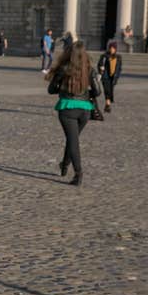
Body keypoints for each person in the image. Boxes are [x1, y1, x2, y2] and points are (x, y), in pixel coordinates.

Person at [45, 40, 101, 186]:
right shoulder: (89, 69)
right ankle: (64, 165)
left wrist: (64, 89)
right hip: (85, 111)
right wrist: (84, 91)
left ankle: (78, 174)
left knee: (73, 141)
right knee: (72, 139)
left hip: (68, 108)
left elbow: (51, 90)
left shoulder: (64, 69)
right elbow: (97, 92)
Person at [97, 41, 122, 113]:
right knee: (107, 90)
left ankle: (107, 103)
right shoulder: (104, 56)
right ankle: (108, 104)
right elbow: (99, 64)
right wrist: (100, 68)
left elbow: (119, 67)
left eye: (113, 48)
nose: (112, 49)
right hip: (105, 76)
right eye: (111, 48)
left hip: (113, 77)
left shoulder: (118, 57)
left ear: (115, 49)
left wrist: (117, 75)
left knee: (111, 90)